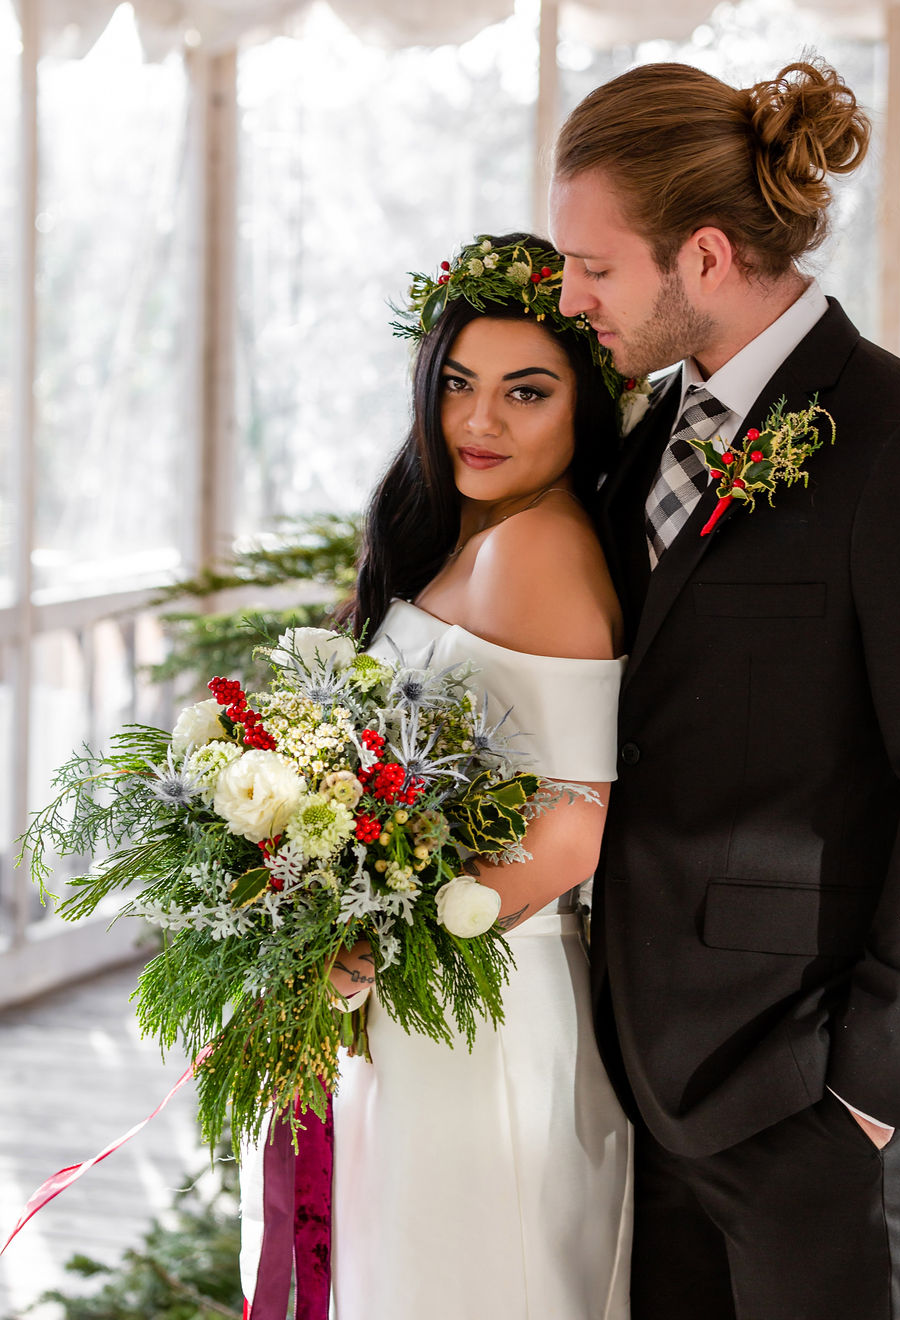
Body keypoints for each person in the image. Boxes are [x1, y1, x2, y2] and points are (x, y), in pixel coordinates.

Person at [549, 58, 900, 1320]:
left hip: (814, 1106)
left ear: (702, 257)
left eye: (593, 267)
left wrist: (864, 1095)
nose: (568, 295)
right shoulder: (645, 439)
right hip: (643, 1088)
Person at [238, 235, 633, 1319]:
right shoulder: (476, 536)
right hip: (430, 1000)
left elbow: (573, 828)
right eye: (458, 384)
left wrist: (370, 947)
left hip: (480, 1006)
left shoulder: (538, 550)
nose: (478, 421)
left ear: (583, 409)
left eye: (525, 392)